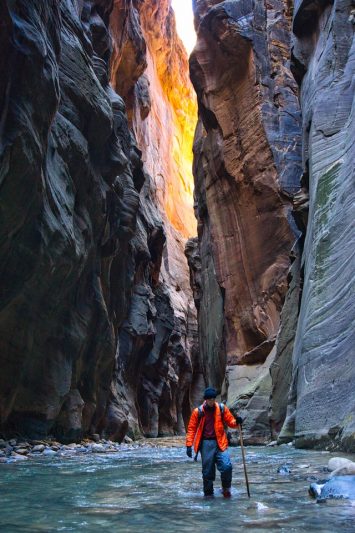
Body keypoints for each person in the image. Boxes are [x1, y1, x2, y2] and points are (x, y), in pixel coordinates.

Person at [186, 387, 243, 498]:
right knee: (207, 472)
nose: (212, 401)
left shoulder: (221, 408)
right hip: (206, 444)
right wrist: (189, 445)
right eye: (210, 399)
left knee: (227, 467)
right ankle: (208, 494)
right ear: (205, 400)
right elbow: (192, 428)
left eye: (213, 399)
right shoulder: (198, 412)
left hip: (220, 442)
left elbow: (230, 421)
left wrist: (237, 422)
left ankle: (226, 489)